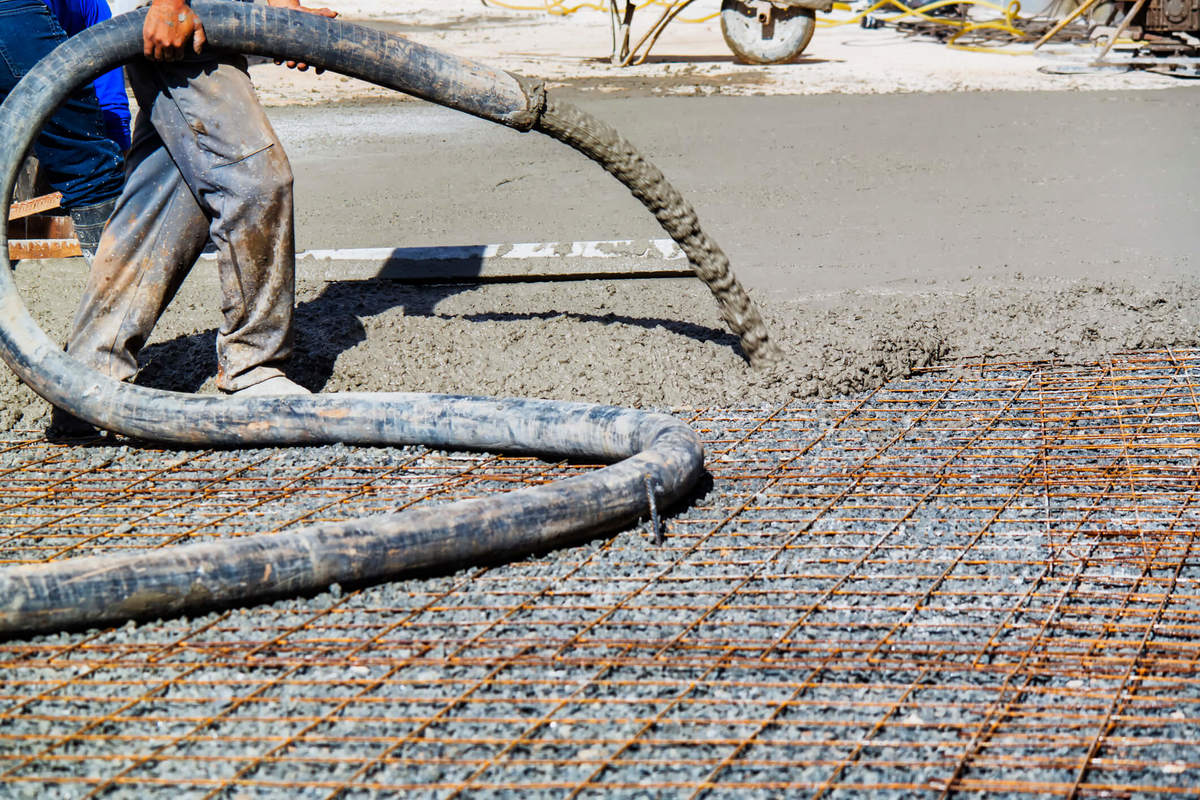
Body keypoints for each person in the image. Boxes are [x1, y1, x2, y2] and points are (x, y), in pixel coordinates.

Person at [49, 0, 336, 438]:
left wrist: (283, 13)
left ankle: (86, 381)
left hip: (208, 25)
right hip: (182, 23)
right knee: (255, 179)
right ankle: (253, 366)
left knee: (164, 205)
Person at [0, 0, 128, 258]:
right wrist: (115, 158)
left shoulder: (91, 7)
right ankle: (118, 291)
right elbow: (109, 93)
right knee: (92, 173)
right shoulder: (89, 6)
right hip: (14, 18)